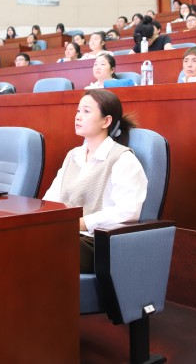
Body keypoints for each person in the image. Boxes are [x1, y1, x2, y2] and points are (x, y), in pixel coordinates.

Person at [42, 89, 147, 273]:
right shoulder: (73, 155)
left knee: (40, 247)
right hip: (66, 232)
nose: (78, 116)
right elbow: (52, 197)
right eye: (78, 111)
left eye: (86, 111)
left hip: (96, 242)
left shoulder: (123, 159)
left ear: (106, 121)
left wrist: (82, 223)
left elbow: (128, 211)